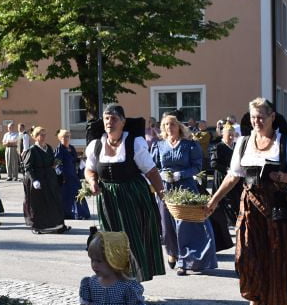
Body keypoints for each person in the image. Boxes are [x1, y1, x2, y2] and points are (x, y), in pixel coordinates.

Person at [207, 98, 287, 305]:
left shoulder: (285, 142)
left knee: (273, 258)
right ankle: (254, 295)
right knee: (245, 255)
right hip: (249, 204)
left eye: (261, 117)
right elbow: (233, 176)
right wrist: (213, 200)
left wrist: (282, 177)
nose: (256, 121)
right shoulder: (243, 142)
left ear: (272, 117)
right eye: (253, 117)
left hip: (276, 205)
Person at [84, 105, 167, 282]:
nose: (109, 122)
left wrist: (164, 196)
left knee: (133, 240)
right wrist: (92, 182)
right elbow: (89, 169)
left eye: (114, 118)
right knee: (111, 241)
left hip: (133, 197)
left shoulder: (134, 143)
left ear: (123, 122)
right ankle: (115, 279)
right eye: (106, 118)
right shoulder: (96, 145)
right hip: (108, 201)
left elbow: (151, 171)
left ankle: (134, 281)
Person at [152, 113, 217, 275]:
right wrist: (162, 175)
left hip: (185, 188)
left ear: (179, 126)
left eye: (172, 124)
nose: (169, 127)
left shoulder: (189, 145)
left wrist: (180, 174)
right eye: (166, 124)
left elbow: (197, 167)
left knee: (184, 225)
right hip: (165, 189)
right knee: (166, 225)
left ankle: (184, 261)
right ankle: (172, 252)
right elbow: (154, 167)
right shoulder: (159, 145)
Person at [22, 126, 70, 234]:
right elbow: (28, 168)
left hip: (50, 179)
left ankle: (58, 225)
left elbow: (52, 162)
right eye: (41, 135)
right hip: (38, 180)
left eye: (44, 134)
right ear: (35, 137)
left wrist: (56, 163)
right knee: (39, 204)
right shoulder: (32, 150)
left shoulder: (48, 147)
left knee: (55, 201)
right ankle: (38, 226)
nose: (44, 136)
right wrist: (34, 180)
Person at [54, 129, 90, 221]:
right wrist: (61, 175)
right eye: (64, 137)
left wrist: (81, 160)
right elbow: (57, 164)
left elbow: (74, 160)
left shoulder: (72, 148)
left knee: (77, 193)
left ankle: (80, 212)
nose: (67, 138)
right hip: (65, 176)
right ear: (60, 138)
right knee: (66, 195)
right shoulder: (59, 149)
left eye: (68, 136)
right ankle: (69, 213)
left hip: (73, 174)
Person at [209, 124, 241, 224]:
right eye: (229, 135)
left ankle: (235, 222)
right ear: (223, 135)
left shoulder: (237, 146)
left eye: (233, 135)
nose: (231, 137)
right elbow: (213, 163)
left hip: (236, 179)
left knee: (236, 201)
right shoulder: (218, 147)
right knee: (225, 201)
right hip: (222, 178)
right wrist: (227, 169)